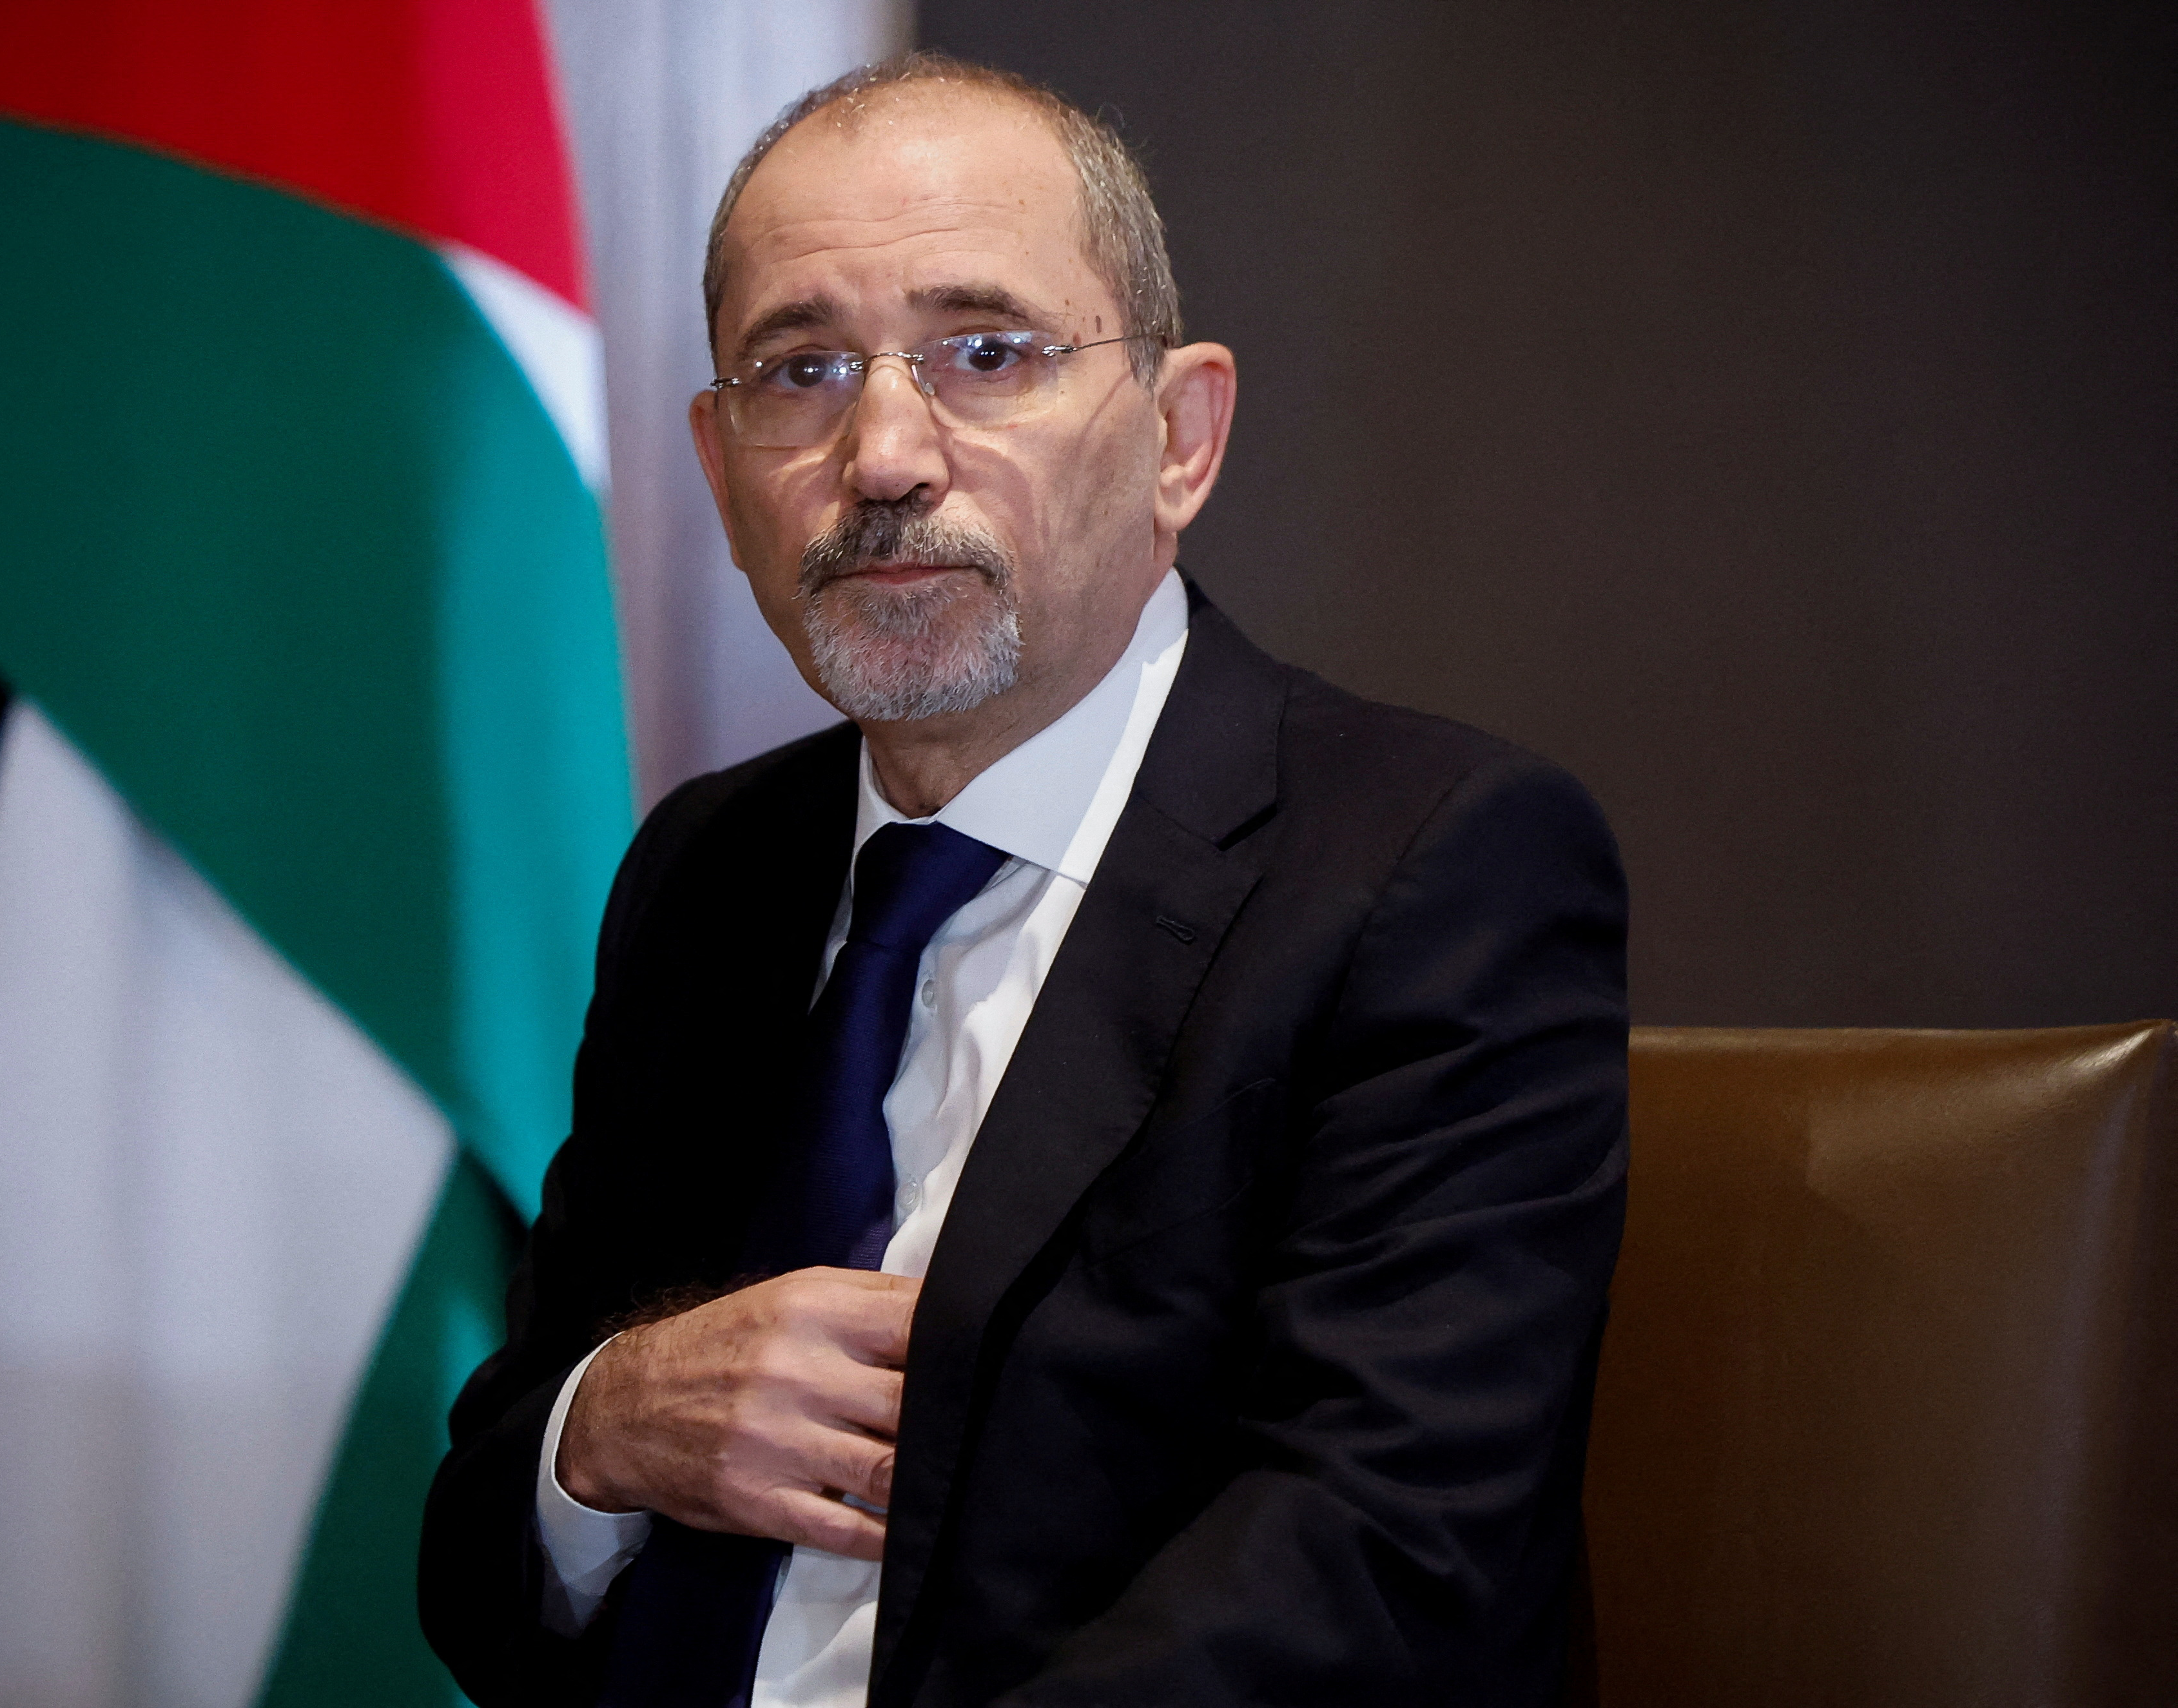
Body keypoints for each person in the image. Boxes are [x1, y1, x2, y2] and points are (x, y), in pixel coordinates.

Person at [420, 51, 1626, 1708]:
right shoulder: (708, 868)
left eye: (985, 352)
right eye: (801, 370)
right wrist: (600, 1428)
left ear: (1179, 436)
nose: (884, 453)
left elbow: (1384, 1556)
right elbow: (475, 1557)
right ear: (720, 466)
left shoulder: (1429, 862)